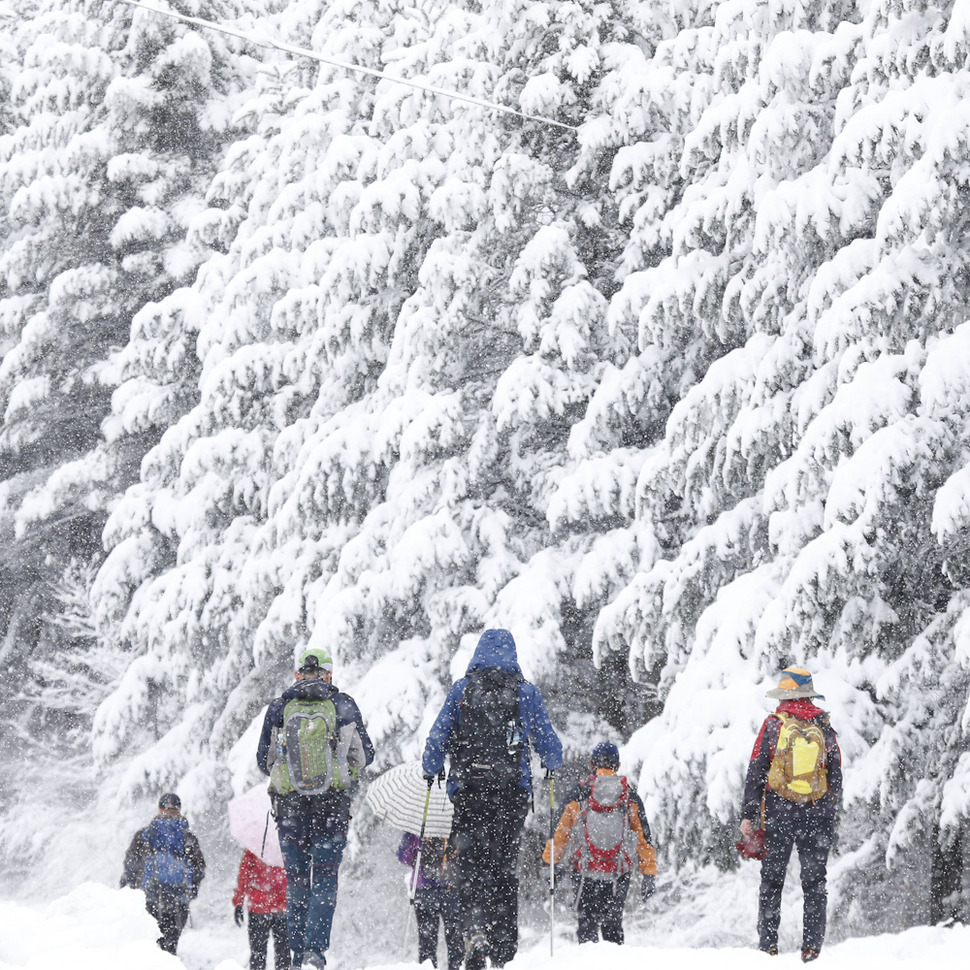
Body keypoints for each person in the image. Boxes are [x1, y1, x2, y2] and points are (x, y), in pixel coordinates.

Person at [422, 628, 563, 970]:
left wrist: (432, 767)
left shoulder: (462, 691)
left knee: (470, 868)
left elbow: (437, 736)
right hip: (509, 796)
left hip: (469, 793)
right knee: (503, 869)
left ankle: (473, 932)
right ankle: (503, 946)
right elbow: (550, 745)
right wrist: (551, 763)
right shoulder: (526, 694)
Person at [257, 646, 375, 970]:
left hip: (291, 809)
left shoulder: (280, 708)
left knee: (297, 882)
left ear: (298, 674)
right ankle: (314, 955)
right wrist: (341, 774)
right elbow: (364, 757)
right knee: (324, 879)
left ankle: (296, 957)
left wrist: (291, 775)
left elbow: (264, 762)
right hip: (332, 808)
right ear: (329, 673)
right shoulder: (344, 705)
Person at [739, 667, 843, 963]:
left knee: (772, 881)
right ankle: (811, 949)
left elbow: (756, 771)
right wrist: (828, 811)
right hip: (817, 814)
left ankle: (768, 947)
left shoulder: (773, 724)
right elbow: (835, 775)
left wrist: (750, 814)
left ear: (785, 695)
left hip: (779, 814)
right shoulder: (823, 725)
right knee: (815, 883)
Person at [542, 741, 658, 945]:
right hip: (618, 873)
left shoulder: (577, 795)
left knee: (586, 927)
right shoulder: (629, 796)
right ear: (618, 765)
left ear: (591, 763)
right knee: (613, 927)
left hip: (584, 871)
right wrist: (649, 873)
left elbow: (559, 835)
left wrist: (550, 865)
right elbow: (644, 840)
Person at [120, 792, 206, 954]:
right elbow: (199, 868)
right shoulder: (188, 838)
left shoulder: (145, 835)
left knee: (151, 942)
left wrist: (129, 888)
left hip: (150, 896)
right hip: (178, 898)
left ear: (159, 809)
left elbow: (131, 864)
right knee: (171, 942)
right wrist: (192, 891)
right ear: (179, 810)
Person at [397, 832, 462, 969]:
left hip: (425, 889)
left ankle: (428, 966)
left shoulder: (421, 825)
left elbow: (403, 855)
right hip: (452, 887)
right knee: (456, 940)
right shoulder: (455, 823)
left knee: (427, 942)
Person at [232, 849, 289, 970]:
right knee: (284, 954)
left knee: (258, 953)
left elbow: (244, 873)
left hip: (259, 907)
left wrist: (239, 901)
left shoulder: (255, 843)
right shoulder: (288, 841)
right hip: (283, 906)